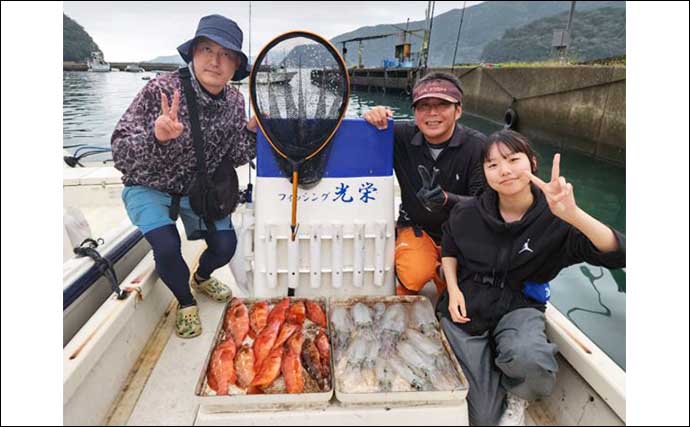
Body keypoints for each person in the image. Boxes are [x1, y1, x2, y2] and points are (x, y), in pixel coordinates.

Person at [438, 129, 626, 426]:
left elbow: (617, 253)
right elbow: (449, 245)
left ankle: (517, 395)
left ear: (533, 163)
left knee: (533, 365)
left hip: (519, 304)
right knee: (484, 418)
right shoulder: (467, 211)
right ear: (485, 174)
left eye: (513, 159)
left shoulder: (557, 218)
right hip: (468, 307)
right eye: (493, 165)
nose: (505, 170)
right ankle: (491, 371)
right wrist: (453, 289)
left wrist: (573, 214)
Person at [111, 15, 258, 338]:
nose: (215, 61)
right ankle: (186, 300)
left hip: (198, 189)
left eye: (226, 54)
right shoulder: (161, 89)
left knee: (225, 245)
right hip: (149, 184)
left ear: (235, 66)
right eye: (207, 49)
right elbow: (119, 151)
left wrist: (250, 134)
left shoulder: (235, 101)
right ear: (193, 53)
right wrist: (157, 137)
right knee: (166, 245)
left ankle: (202, 276)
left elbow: (233, 156)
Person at [362, 72, 486, 297]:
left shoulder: (477, 146)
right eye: (423, 106)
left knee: (468, 287)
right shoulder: (399, 136)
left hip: (462, 231)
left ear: (458, 110)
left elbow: (485, 202)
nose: (432, 113)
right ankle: (428, 272)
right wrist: (372, 117)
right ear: (414, 112)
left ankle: (443, 276)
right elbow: (358, 142)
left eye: (442, 105)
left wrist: (448, 199)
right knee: (414, 276)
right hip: (417, 226)